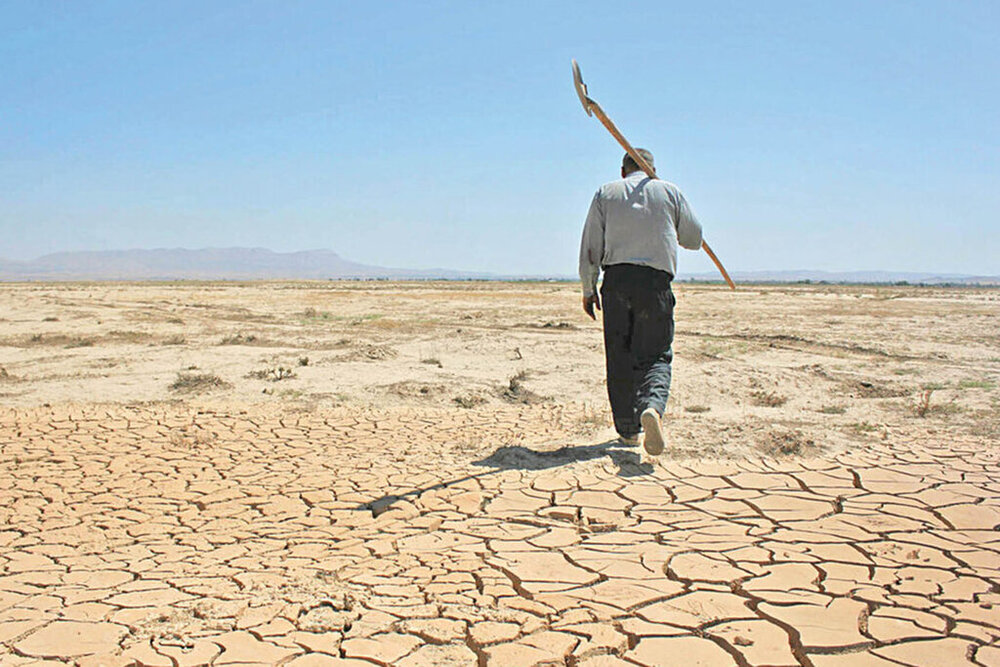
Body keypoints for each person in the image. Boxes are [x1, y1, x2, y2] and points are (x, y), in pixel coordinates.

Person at [578, 149, 703, 455]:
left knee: (619, 357)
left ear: (623, 171)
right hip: (654, 285)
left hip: (616, 284)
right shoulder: (669, 192)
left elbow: (591, 245)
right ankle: (651, 408)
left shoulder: (606, 193)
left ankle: (627, 430)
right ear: (651, 169)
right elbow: (694, 239)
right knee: (656, 355)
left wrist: (587, 287)